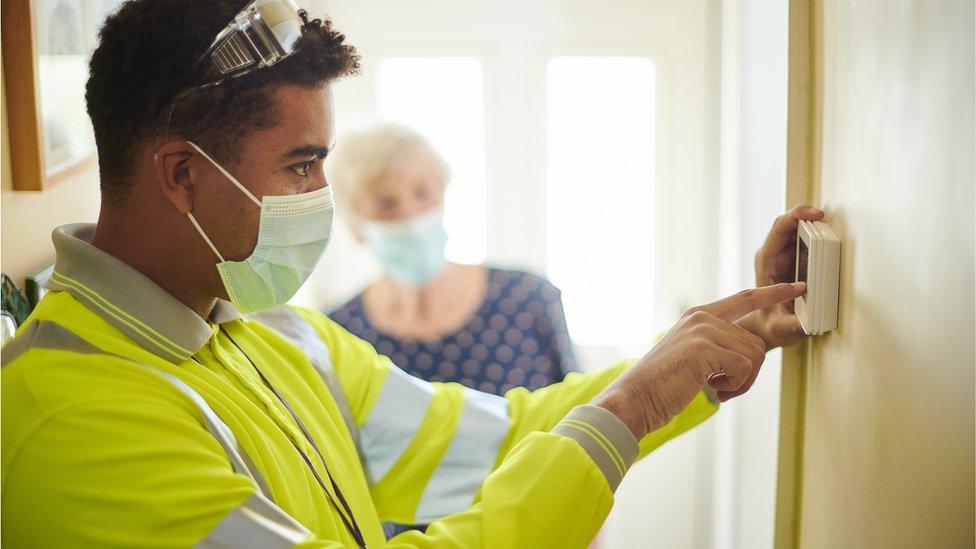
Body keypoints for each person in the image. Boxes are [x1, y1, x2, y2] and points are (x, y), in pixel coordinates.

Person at [0, 1, 823, 547]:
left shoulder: (277, 337)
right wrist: (628, 408)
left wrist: (711, 346)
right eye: (300, 166)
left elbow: (502, 439)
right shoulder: (69, 414)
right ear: (182, 173)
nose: (324, 198)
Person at [327, 123, 578, 396]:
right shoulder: (339, 333)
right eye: (385, 204)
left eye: (423, 193)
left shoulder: (529, 299)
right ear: (354, 225)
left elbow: (581, 413)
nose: (411, 215)